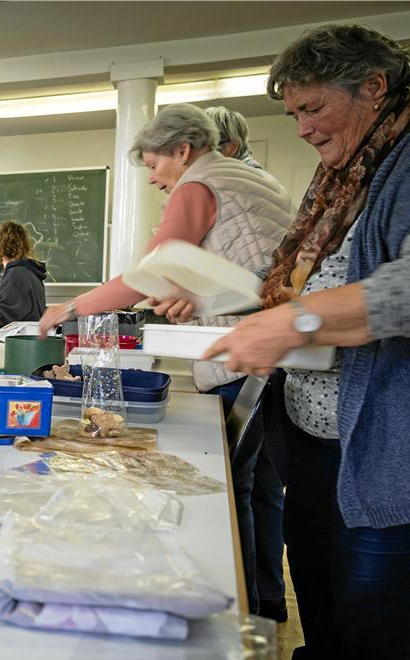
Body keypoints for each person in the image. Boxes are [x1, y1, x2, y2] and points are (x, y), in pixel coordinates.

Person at [203, 24, 410, 660]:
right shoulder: (351, 168)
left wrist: (291, 322)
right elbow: (303, 276)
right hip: (318, 427)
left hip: (388, 442)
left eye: (310, 109)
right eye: (291, 113)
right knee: (323, 575)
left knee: (381, 602)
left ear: (373, 87)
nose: (300, 129)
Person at [39, 103, 293, 620]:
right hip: (279, 352)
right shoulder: (254, 179)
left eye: (155, 165)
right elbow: (249, 272)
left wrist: (67, 309)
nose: (154, 180)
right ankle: (264, 601)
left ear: (183, 151)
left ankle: (237, 617)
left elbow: (145, 276)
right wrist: (194, 297)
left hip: (245, 356)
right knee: (261, 488)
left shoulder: (200, 183)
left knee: (231, 491)